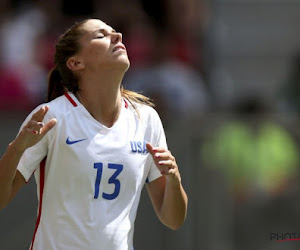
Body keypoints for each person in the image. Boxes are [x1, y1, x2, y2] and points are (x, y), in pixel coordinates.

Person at [0, 18, 188, 250]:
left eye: (115, 32)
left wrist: (174, 179)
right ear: (76, 62)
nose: (117, 36)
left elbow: (173, 219)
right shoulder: (50, 117)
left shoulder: (146, 119)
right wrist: (16, 149)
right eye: (101, 35)